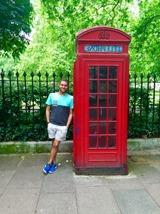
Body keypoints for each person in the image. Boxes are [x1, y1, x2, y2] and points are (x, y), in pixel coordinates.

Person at [42, 79, 73, 174]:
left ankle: (49, 163)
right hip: (52, 124)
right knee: (54, 145)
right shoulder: (52, 95)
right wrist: (48, 122)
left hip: (62, 126)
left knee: (55, 144)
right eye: (62, 85)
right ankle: (54, 163)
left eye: (65, 85)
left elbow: (71, 113)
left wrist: (67, 126)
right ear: (59, 85)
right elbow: (47, 109)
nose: (63, 87)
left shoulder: (71, 98)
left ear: (67, 87)